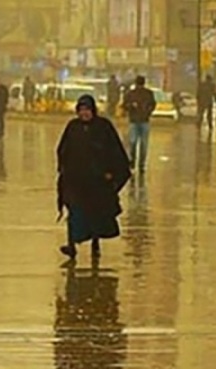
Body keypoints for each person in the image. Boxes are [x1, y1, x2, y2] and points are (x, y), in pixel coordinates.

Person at [57, 95, 132, 260]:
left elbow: (114, 151)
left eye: (87, 110)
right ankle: (71, 245)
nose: (84, 114)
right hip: (75, 181)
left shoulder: (103, 127)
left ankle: (95, 242)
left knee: (95, 214)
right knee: (74, 212)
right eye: (81, 110)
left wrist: (110, 173)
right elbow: (63, 149)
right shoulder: (73, 127)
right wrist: (63, 169)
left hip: (96, 183)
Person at [122, 75, 156, 172]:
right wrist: (131, 107)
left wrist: (147, 111)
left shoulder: (148, 93)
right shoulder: (131, 94)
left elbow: (153, 104)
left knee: (140, 144)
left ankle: (140, 165)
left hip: (143, 121)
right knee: (136, 143)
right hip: (135, 121)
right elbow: (125, 105)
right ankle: (134, 163)